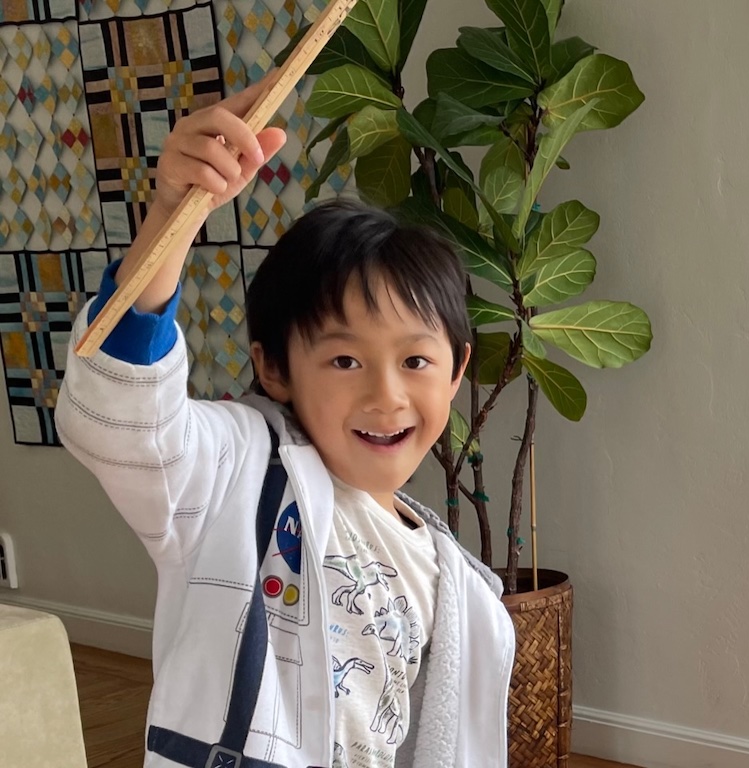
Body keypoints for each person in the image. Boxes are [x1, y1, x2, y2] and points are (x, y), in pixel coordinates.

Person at [55, 78, 515, 768]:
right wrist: (173, 216)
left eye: (415, 360)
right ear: (274, 370)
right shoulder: (235, 475)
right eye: (343, 361)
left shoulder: (457, 584)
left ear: (456, 372)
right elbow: (126, 417)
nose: (386, 395)